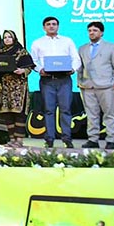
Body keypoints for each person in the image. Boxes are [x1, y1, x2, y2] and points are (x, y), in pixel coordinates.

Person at [30, 17, 82, 148]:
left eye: (54, 24)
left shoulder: (67, 41)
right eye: (48, 24)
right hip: (47, 80)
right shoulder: (37, 43)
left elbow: (76, 59)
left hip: (64, 80)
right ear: (44, 27)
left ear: (58, 26)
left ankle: (67, 138)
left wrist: (72, 69)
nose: (51, 26)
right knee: (48, 110)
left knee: (66, 110)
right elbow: (33, 60)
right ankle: (49, 139)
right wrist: (39, 69)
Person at [78, 21, 114, 150]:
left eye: (95, 30)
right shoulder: (82, 48)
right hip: (87, 86)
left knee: (109, 114)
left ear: (101, 33)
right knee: (91, 114)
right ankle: (93, 139)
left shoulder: (112, 47)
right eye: (90, 30)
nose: (92, 33)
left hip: (106, 86)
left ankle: (110, 139)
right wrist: (79, 82)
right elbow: (80, 68)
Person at [0, 30, 33, 147]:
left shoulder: (21, 51)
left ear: (14, 38)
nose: (7, 39)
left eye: (9, 37)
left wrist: (23, 71)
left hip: (18, 87)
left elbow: (29, 68)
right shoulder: (0, 53)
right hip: (4, 87)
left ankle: (19, 140)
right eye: (5, 37)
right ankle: (11, 139)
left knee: (18, 112)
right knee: (7, 113)